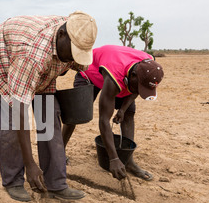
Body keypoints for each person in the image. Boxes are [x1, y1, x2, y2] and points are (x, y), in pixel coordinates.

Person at [0, 11, 98, 202]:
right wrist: (30, 164)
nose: (73, 58)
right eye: (73, 52)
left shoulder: (77, 34)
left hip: (45, 69)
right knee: (11, 122)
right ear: (61, 35)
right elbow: (20, 110)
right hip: (2, 59)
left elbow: (78, 66)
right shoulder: (31, 55)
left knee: (50, 120)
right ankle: (13, 181)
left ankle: (56, 183)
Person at [62, 45, 164, 181]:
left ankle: (128, 161)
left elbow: (136, 91)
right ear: (133, 76)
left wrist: (122, 109)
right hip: (90, 74)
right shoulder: (114, 75)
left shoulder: (149, 66)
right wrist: (114, 159)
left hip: (121, 76)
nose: (139, 92)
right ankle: (59, 152)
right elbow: (104, 120)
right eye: (139, 87)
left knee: (129, 114)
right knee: (76, 114)